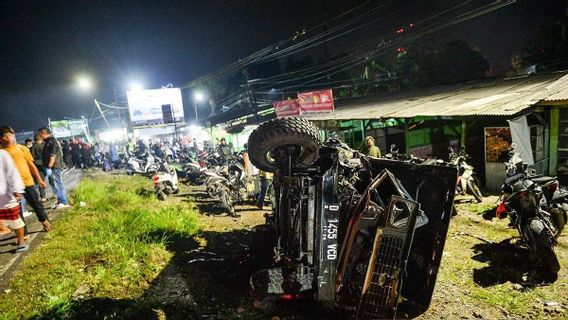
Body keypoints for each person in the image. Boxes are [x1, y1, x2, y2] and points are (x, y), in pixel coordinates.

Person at [0, 126, 53, 233]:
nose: (9, 138)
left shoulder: (22, 148)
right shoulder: (2, 152)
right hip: (10, 187)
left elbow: (31, 165)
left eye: (11, 135)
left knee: (36, 203)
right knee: (17, 211)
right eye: (6, 136)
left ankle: (45, 222)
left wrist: (39, 179)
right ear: (1, 138)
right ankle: (24, 234)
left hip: (27, 182)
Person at [0, 149, 28, 252]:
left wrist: (17, 189)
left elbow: (12, 172)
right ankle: (3, 229)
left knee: (14, 219)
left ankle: (21, 242)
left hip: (5, 194)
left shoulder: (2, 154)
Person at [38, 127, 70, 209]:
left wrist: (49, 165)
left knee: (57, 183)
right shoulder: (48, 141)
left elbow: (53, 154)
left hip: (54, 167)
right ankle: (60, 201)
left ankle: (63, 202)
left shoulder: (52, 141)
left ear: (44, 133)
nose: (39, 136)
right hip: (51, 167)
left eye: (40, 134)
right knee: (53, 184)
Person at [30, 135, 47, 202]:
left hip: (34, 165)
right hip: (42, 165)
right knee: (41, 181)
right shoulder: (42, 146)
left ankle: (36, 197)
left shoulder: (32, 147)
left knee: (35, 182)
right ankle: (43, 196)